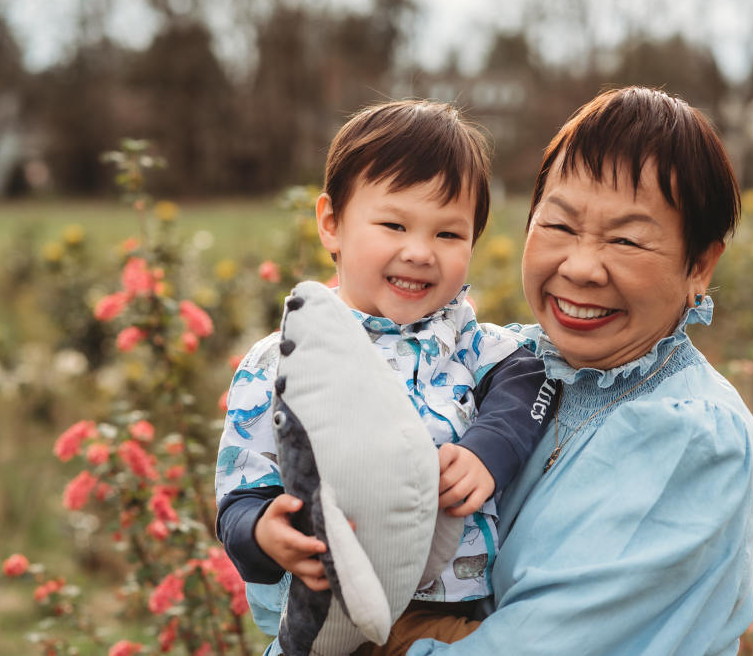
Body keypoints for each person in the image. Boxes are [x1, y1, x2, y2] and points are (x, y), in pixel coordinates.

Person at [407, 87, 753, 655]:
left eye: (626, 239)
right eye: (559, 227)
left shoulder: (692, 437)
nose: (579, 267)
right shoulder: (490, 361)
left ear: (700, 263)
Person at [212, 100, 554, 655]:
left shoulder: (470, 342)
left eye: (449, 234)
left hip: (439, 612)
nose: (419, 252)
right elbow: (239, 492)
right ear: (332, 224)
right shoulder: (282, 359)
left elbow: (533, 384)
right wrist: (263, 531)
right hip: (322, 619)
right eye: (394, 224)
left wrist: (488, 453)